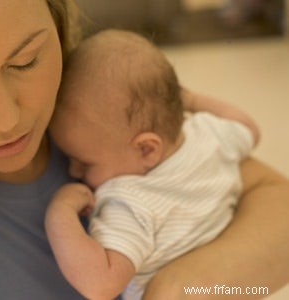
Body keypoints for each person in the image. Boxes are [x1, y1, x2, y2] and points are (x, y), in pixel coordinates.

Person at [0, 1, 287, 299]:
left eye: (26, 61)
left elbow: (276, 204)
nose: (5, 120)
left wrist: (181, 289)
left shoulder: (98, 110)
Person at [45, 29, 261, 299]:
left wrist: (60, 213)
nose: (73, 171)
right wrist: (192, 100)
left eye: (85, 163)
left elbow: (100, 284)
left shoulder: (130, 199)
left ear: (147, 149)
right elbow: (249, 128)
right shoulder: (208, 134)